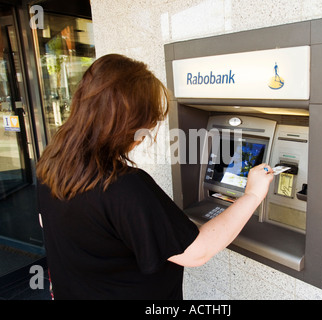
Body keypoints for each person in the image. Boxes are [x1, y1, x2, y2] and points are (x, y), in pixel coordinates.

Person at [36, 54, 274, 300]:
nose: (149, 129)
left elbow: (47, 222)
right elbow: (196, 252)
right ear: (127, 122)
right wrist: (253, 195)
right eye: (149, 119)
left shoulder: (51, 165)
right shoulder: (123, 186)